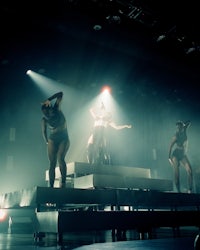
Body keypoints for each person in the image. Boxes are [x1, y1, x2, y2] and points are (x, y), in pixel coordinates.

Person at [41, 91, 70, 188]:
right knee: (52, 163)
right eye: (45, 112)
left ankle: (63, 183)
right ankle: (51, 186)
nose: (48, 113)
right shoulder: (45, 119)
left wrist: (49, 99)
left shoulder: (56, 108)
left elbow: (61, 94)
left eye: (48, 110)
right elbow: (44, 131)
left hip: (63, 137)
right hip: (52, 139)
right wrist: (46, 141)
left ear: (50, 108)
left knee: (60, 158)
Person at [168, 120, 193, 193]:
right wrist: (169, 157)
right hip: (175, 154)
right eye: (177, 127)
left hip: (182, 154)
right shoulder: (176, 135)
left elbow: (189, 122)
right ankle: (179, 191)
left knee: (190, 171)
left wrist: (185, 125)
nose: (178, 129)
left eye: (180, 127)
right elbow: (170, 146)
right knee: (177, 172)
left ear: (182, 127)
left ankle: (190, 190)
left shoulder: (184, 130)